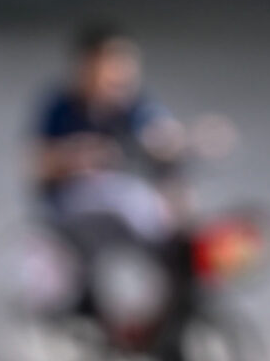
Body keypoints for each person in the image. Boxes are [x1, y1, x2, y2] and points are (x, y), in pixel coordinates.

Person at [28, 23, 194, 340]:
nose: (121, 73)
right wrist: (76, 157)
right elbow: (36, 164)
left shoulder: (133, 106)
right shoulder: (61, 107)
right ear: (87, 66)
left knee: (170, 216)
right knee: (128, 201)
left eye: (127, 65)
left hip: (122, 211)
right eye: (113, 64)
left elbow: (163, 135)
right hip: (73, 211)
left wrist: (194, 139)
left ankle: (165, 315)